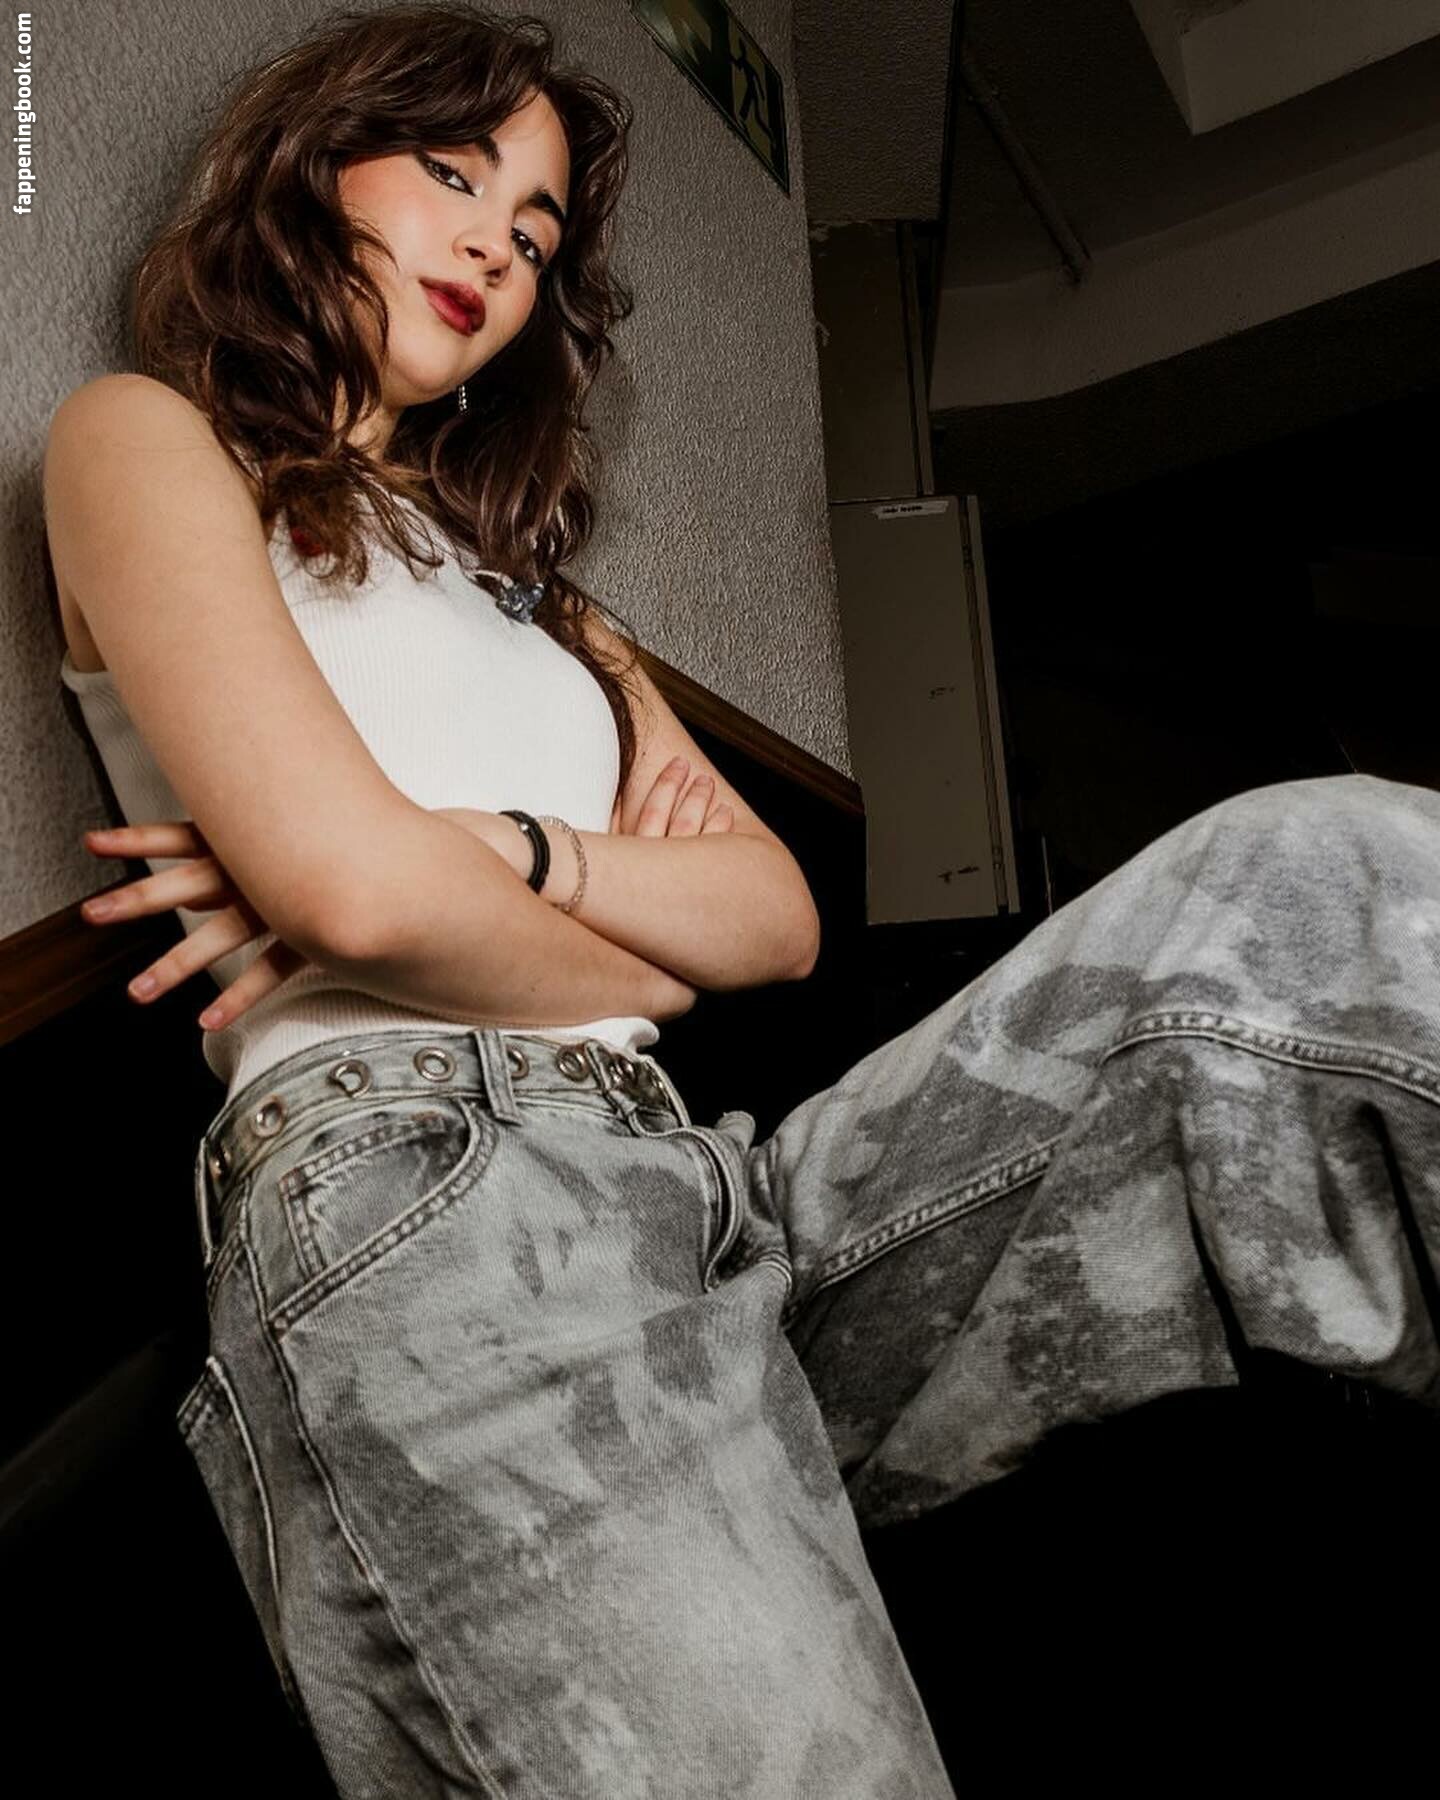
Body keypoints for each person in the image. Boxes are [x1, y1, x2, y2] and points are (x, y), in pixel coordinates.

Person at [45, 4, 1440, 1796]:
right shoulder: (148, 440)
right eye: (453, 174)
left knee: (1321, 883)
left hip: (707, 1186)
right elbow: (365, 896)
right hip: (423, 1197)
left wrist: (497, 847)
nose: (496, 245)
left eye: (535, 229)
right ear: (311, 171)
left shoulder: (548, 608)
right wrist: (586, 941)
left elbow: (773, 923)